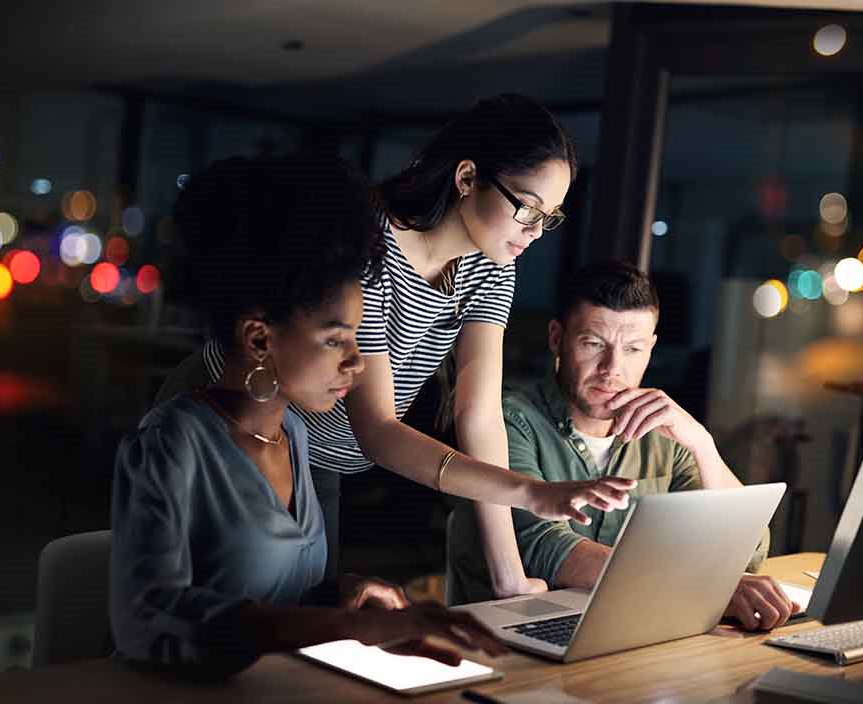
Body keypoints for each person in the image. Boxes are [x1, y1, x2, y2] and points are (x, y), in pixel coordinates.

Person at [193, 94, 636, 598]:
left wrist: (508, 573)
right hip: (243, 419)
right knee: (223, 608)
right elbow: (378, 429)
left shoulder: (492, 266)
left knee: (303, 613)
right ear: (467, 178)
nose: (535, 232)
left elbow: (480, 417)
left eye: (549, 217)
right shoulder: (367, 241)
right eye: (527, 208)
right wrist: (530, 492)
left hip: (325, 453)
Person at [110, 154, 507, 678]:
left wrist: (347, 597)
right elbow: (151, 623)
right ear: (259, 338)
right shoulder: (172, 443)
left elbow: (283, 593)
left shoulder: (293, 434)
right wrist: (346, 628)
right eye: (335, 340)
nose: (357, 361)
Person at [447, 261, 800, 631]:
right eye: (593, 343)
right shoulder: (508, 421)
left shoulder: (664, 432)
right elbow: (541, 547)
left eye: (632, 349)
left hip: (626, 633)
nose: (612, 368)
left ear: (651, 348)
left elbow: (749, 550)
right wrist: (699, 586)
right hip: (506, 641)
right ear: (557, 338)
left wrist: (702, 444)